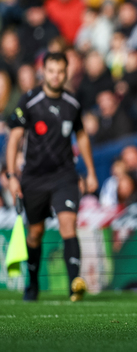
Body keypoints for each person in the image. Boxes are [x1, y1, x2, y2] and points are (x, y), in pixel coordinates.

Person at [5, 52, 98, 302]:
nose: (56, 75)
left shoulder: (73, 103)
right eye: (51, 70)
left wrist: (90, 171)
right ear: (43, 72)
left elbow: (82, 136)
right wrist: (12, 175)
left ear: (66, 73)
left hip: (64, 175)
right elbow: (14, 138)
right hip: (34, 178)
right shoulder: (29, 100)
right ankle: (32, 284)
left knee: (69, 223)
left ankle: (74, 286)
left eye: (60, 71)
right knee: (35, 233)